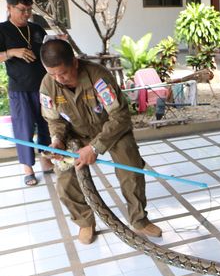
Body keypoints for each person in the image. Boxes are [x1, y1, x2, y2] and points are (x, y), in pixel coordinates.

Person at [39, 39, 162, 244]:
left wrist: (95, 147)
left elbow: (120, 116)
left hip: (112, 130)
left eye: (63, 73)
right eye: (52, 74)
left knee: (131, 170)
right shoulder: (47, 84)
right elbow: (54, 119)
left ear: (74, 63)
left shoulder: (98, 77)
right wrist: (57, 140)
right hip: (75, 134)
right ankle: (85, 222)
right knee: (64, 178)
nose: (59, 79)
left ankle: (139, 220)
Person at [0, 0, 53, 186]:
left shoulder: (36, 28)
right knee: (24, 127)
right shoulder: (2, 29)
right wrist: (12, 52)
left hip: (43, 85)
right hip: (20, 88)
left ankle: (46, 159)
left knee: (46, 123)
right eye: (22, 10)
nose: (27, 14)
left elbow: (46, 50)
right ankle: (27, 168)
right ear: (9, 8)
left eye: (29, 10)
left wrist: (57, 43)